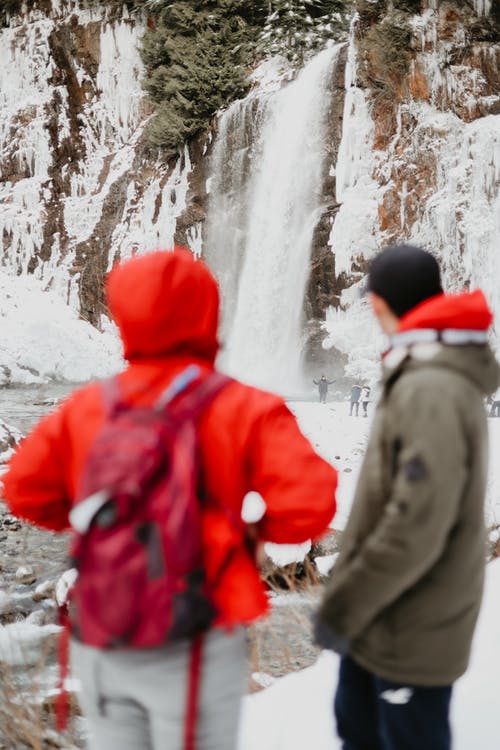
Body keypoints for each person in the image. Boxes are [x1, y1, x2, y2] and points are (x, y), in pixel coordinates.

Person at [3, 247, 337, 750]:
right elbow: (311, 502)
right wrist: (247, 536)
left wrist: (99, 521)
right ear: (207, 310)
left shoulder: (87, 408)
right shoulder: (245, 407)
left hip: (105, 634)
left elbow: (22, 489)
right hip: (199, 637)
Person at [314, 244, 499, 750]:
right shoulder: (427, 372)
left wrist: (345, 606)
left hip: (407, 624)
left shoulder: (430, 387)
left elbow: (417, 522)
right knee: (358, 728)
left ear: (380, 304)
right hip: (391, 616)